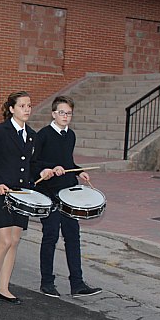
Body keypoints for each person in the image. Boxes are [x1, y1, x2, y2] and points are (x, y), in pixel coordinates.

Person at [32, 96, 103, 299]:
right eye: (62, 112)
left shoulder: (70, 135)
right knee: (51, 236)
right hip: (50, 192)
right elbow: (34, 163)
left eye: (68, 113)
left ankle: (77, 283)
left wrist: (79, 171)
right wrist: (49, 169)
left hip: (69, 194)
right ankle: (47, 282)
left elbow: (67, 161)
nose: (65, 116)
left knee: (73, 237)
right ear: (53, 113)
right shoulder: (43, 135)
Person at [0, 91, 35, 306]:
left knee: (14, 241)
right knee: (3, 241)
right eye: (22, 106)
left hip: (21, 195)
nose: (27, 109)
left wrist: (45, 172)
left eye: (29, 106)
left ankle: (4, 287)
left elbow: (32, 164)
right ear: (11, 109)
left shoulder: (32, 134)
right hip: (0, 193)